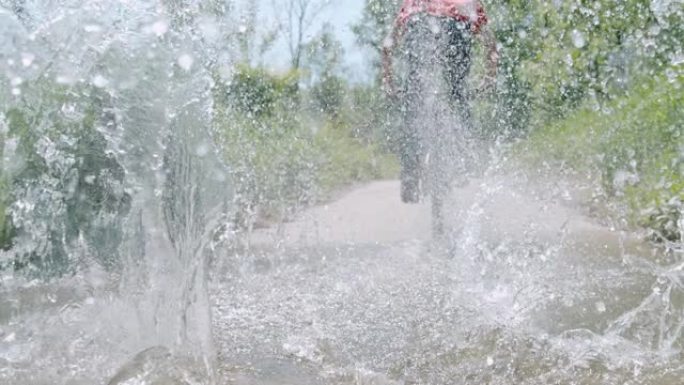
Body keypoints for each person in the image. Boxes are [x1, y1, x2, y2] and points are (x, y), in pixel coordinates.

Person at [382, 0, 498, 203]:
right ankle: (462, 160)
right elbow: (490, 43)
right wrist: (489, 77)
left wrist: (388, 81)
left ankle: (410, 173)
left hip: (418, 26)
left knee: (413, 102)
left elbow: (387, 46)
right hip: (456, 29)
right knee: (458, 94)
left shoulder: (414, 2)